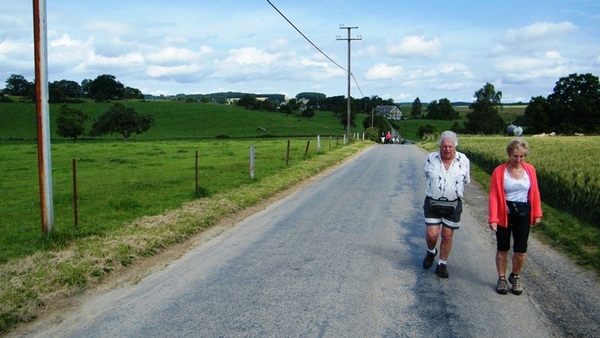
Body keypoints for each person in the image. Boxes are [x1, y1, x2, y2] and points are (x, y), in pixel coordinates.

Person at [488, 138, 542, 295]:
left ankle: (515, 276)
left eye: (521, 156)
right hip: (505, 214)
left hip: (523, 214)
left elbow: (535, 192)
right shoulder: (499, 172)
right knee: (503, 248)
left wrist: (537, 213)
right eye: (515, 156)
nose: (518, 160)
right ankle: (502, 278)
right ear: (509, 154)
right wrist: (493, 218)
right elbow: (493, 196)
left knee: (521, 250)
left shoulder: (530, 170)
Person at [422, 131, 471, 278]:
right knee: (432, 235)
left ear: (455, 146)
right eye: (444, 146)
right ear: (440, 146)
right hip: (432, 202)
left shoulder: (464, 160)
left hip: (453, 205)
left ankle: (442, 264)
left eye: (450, 146)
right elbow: (426, 176)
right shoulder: (430, 159)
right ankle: (431, 252)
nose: (447, 149)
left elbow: (466, 180)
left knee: (447, 235)